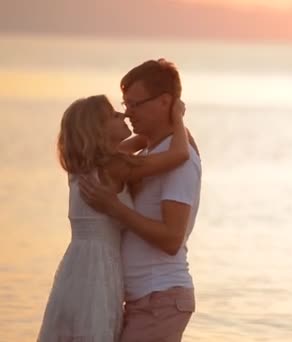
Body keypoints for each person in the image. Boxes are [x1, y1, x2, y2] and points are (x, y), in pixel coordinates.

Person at [37, 94, 189, 342]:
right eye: (113, 115)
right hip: (98, 269)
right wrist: (177, 118)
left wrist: (161, 122)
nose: (124, 114)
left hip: (75, 267)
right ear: (98, 131)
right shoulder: (115, 167)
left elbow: (142, 140)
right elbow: (179, 154)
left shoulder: (84, 166)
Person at [79, 59, 202, 342]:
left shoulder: (177, 163)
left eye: (136, 104)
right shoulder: (153, 153)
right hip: (145, 300)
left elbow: (172, 239)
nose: (128, 113)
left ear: (164, 102)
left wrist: (115, 208)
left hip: (160, 298)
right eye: (125, 104)